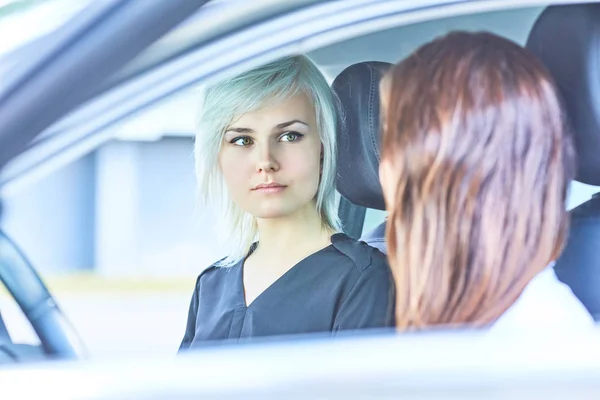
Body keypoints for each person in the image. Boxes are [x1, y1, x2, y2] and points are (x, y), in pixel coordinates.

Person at [378, 31, 594, 332]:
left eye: (392, 141)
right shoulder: (493, 321)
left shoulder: (540, 345)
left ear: (444, 167)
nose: (383, 166)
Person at [179, 55, 394, 350]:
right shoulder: (211, 285)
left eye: (290, 136)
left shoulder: (363, 279)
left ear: (323, 146)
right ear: (217, 155)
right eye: (242, 141)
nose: (265, 161)